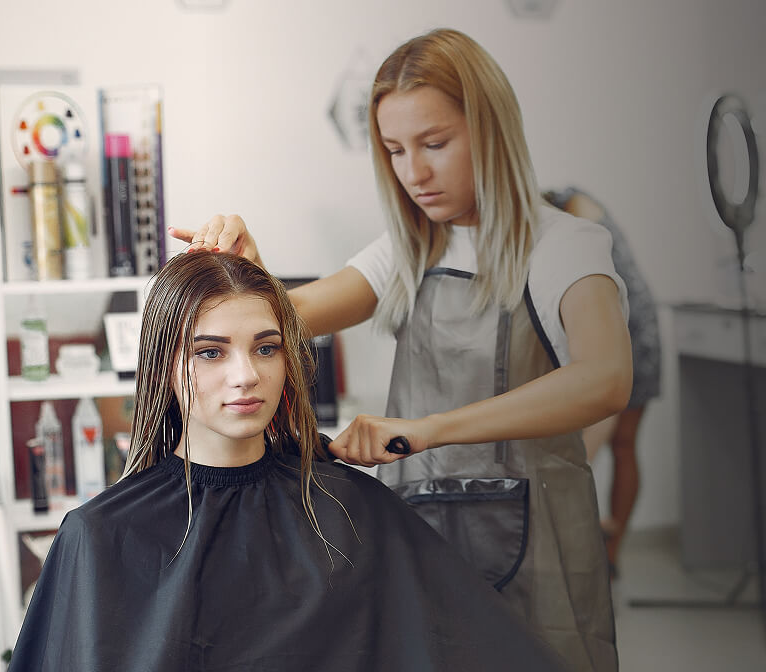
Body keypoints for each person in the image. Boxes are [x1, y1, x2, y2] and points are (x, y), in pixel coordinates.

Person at [171, 28, 631, 671]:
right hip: (423, 534)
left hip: (540, 546)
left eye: (434, 144)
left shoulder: (567, 245)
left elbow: (606, 379)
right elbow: (285, 316)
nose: (413, 172)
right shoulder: (412, 251)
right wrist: (248, 271)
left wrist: (427, 431)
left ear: (491, 129)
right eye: (393, 150)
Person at [6, 252, 569, 671]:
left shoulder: (353, 509)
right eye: (210, 351)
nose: (247, 375)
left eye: (266, 347)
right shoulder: (101, 535)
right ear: (162, 367)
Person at [544, 187, 662, 575]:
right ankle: (598, 547)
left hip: (632, 332)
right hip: (618, 330)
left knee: (615, 447)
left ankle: (611, 553)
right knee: (604, 450)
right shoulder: (571, 211)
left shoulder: (575, 217)